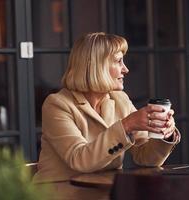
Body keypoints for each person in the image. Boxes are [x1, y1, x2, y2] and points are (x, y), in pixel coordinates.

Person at [33, 32, 180, 186]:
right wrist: (127, 125)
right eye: (118, 61)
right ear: (97, 66)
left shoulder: (119, 99)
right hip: (64, 193)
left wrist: (164, 134)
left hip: (105, 192)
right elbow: (80, 160)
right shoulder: (57, 105)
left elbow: (146, 158)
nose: (125, 69)